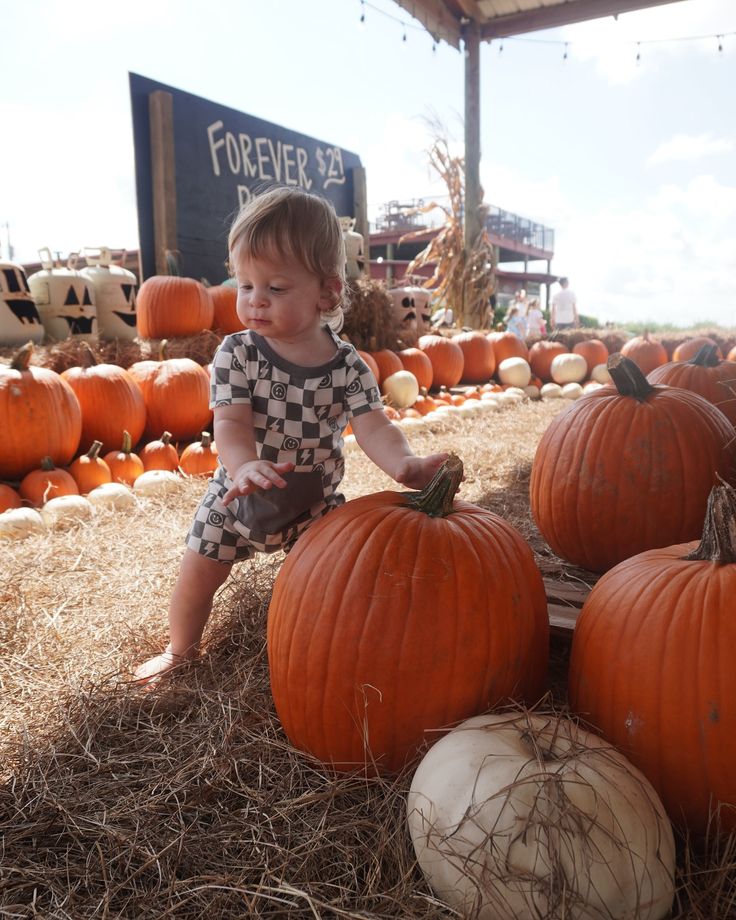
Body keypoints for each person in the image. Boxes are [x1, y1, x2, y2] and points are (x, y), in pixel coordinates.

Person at [134, 187, 448, 683]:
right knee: (198, 575)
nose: (255, 301)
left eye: (276, 289)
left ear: (327, 293)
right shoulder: (238, 353)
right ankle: (180, 652)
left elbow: (373, 426)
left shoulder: (347, 365)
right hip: (238, 493)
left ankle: (321, 652)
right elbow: (231, 422)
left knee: (332, 582)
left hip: (315, 503)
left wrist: (405, 465)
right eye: (244, 286)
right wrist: (243, 467)